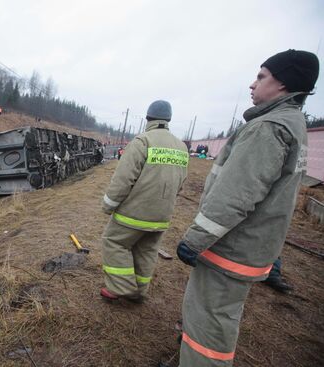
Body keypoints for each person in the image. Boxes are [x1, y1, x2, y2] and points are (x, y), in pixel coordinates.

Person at [176, 49, 319, 366]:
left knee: (209, 324)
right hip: (252, 246)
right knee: (218, 314)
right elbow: (271, 194)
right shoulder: (292, 124)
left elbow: (236, 194)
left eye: (261, 76)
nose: (252, 85)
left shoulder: (267, 128)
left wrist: (195, 239)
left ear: (283, 83)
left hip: (231, 248)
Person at [100, 100, 189, 303]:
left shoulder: (143, 141)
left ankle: (121, 288)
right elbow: (180, 182)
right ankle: (139, 291)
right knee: (146, 250)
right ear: (168, 120)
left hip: (134, 214)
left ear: (148, 118)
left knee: (114, 243)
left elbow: (123, 179)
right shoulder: (181, 147)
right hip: (162, 216)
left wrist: (108, 204)